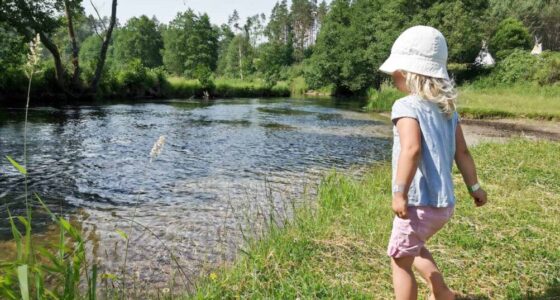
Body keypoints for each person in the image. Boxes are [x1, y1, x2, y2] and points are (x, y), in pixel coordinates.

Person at [379, 25, 488, 300]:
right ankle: (443, 293)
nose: (393, 79)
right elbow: (462, 153)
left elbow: (411, 149)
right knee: (413, 245)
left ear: (406, 73)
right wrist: (474, 186)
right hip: (444, 204)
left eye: (395, 74)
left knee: (399, 259)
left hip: (419, 203)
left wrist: (398, 192)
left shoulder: (405, 106)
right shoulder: (447, 110)